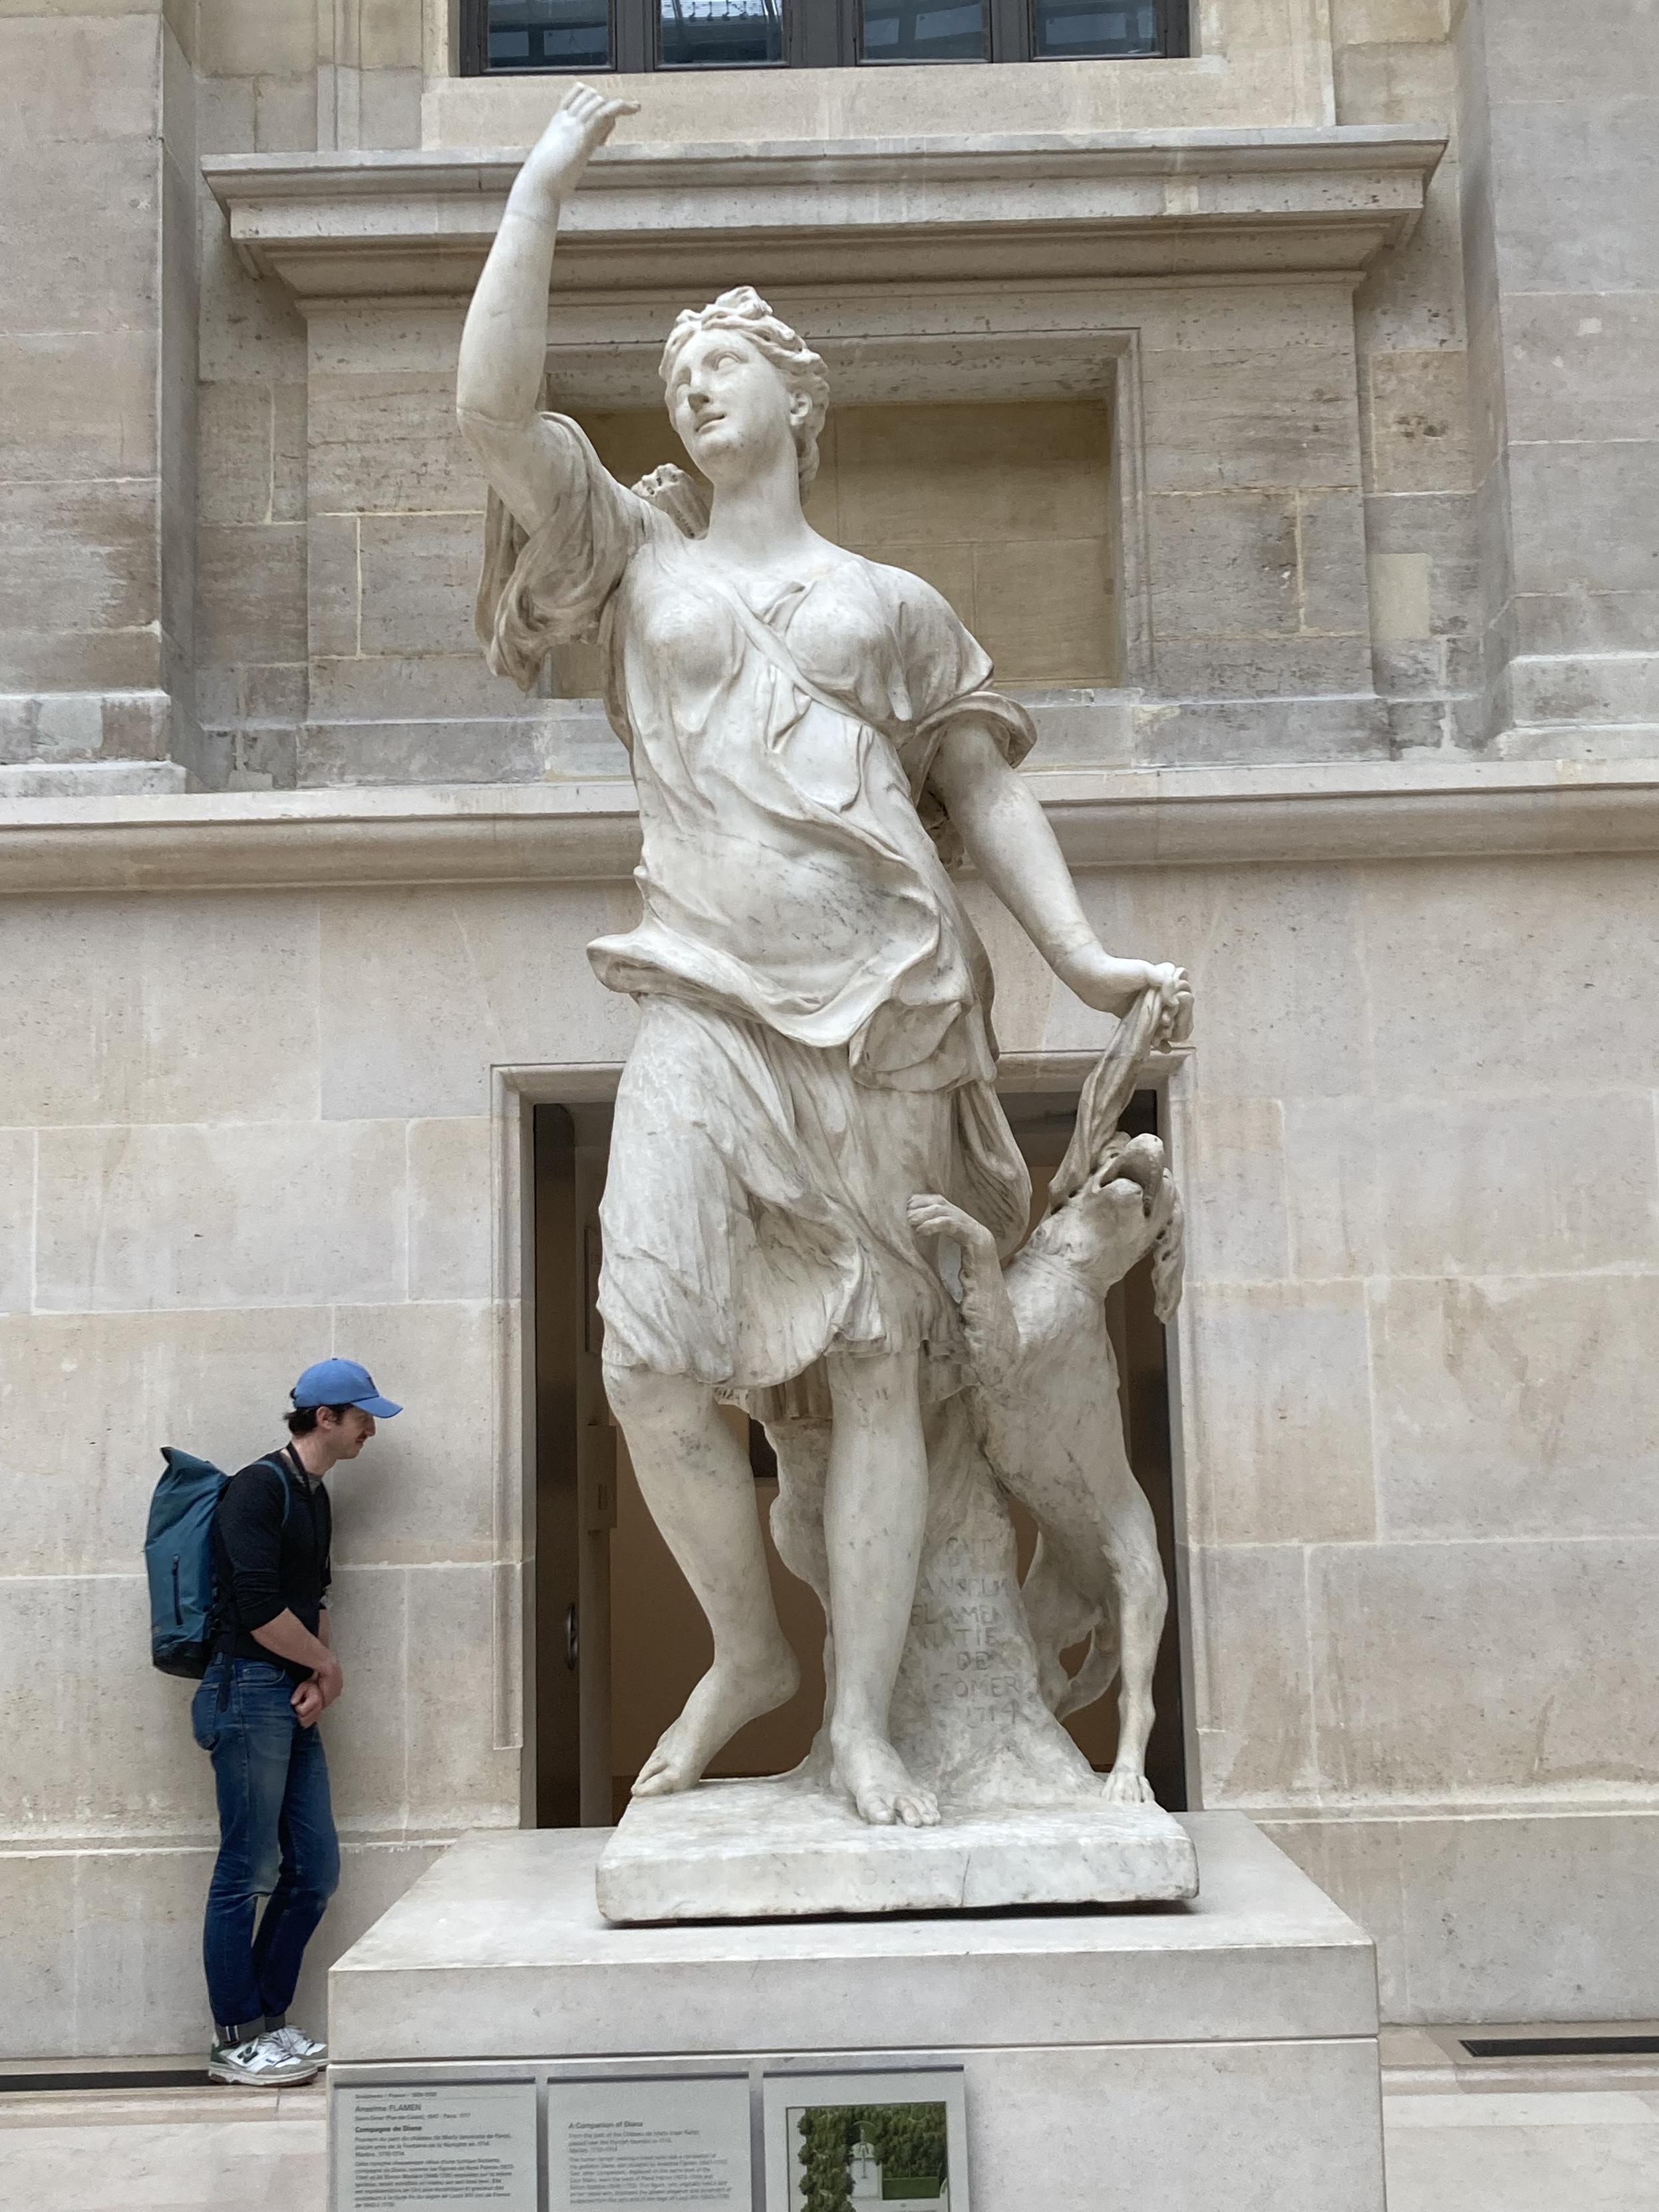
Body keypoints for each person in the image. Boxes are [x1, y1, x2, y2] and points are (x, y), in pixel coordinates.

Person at [458, 82, 1191, 1833]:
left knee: (875, 1368)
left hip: (888, 1006)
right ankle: (748, 1648)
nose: (694, 380)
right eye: (678, 364)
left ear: (801, 397)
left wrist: (1082, 961)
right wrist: (542, 182)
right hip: (704, 993)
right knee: (648, 1349)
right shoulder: (628, 557)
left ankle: (861, 1722)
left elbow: (976, 786)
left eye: (728, 359)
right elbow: (490, 408)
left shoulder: (886, 599)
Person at [193, 1358, 400, 2087]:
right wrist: (329, 1669)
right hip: (245, 1690)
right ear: (325, 1418)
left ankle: (267, 2026)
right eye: (362, 1416)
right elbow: (255, 1608)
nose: (371, 1428)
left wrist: (315, 1671)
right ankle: (234, 2038)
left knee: (314, 1870)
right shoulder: (256, 1488)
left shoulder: (314, 1496)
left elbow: (312, 1597)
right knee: (244, 1870)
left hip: (286, 1691)